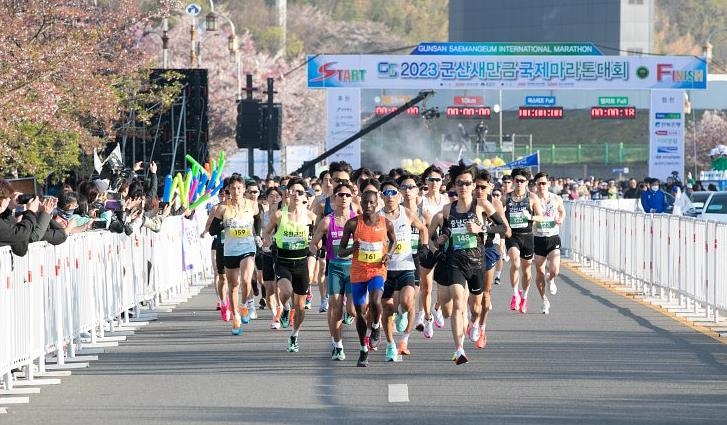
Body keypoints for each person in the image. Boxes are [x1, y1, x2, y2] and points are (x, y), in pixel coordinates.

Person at [428, 161, 493, 365]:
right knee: (458, 302)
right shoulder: (447, 210)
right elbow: (429, 237)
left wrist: (480, 230)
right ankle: (459, 349)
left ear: (473, 185)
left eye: (467, 183)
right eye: (459, 183)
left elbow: (505, 230)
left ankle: (475, 324)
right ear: (454, 186)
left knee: (475, 306)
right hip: (455, 261)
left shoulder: (482, 205)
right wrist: (437, 244)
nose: (463, 187)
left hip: (477, 262)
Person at [338, 190, 396, 367]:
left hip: (377, 270)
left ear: (377, 203)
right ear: (360, 203)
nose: (368, 206)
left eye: (371, 203)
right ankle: (363, 349)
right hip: (358, 272)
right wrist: (352, 248)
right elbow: (340, 252)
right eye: (365, 203)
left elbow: (393, 242)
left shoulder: (386, 223)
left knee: (376, 300)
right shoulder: (353, 224)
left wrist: (389, 255)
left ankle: (377, 325)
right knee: (359, 312)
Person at [262, 178, 317, 352]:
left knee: (300, 306)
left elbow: (318, 236)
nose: (296, 195)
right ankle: (285, 307)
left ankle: (294, 335)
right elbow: (266, 231)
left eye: (300, 192)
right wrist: (268, 242)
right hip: (283, 261)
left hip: (301, 262)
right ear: (287, 194)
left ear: (304, 196)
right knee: (286, 291)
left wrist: (316, 244)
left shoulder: (310, 216)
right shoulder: (279, 215)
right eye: (293, 191)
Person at [379, 179, 428, 362]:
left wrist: (423, 247)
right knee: (387, 309)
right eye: (387, 193)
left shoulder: (406, 213)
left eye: (393, 193)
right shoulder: (377, 217)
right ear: (381, 196)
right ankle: (391, 344)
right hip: (385, 269)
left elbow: (423, 229)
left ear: (398, 196)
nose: (390, 196)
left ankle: (404, 321)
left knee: (408, 302)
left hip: (406, 264)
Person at [309, 182, 356, 361]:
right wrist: (319, 251)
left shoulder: (356, 220)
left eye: (347, 195)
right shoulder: (327, 220)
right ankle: (338, 345)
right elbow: (313, 243)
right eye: (340, 195)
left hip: (353, 269)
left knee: (352, 310)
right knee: (335, 308)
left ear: (352, 198)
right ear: (334, 199)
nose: (344, 198)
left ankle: (367, 328)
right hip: (335, 268)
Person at [209, 175, 259, 336]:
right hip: (230, 250)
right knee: (233, 286)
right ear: (228, 190)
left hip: (248, 248)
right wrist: (224, 224)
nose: (236, 191)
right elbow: (212, 231)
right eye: (233, 188)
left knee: (245, 280)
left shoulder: (252, 205)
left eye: (239, 188)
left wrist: (257, 234)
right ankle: (235, 316)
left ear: (244, 189)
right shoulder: (222, 208)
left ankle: (244, 305)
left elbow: (258, 219)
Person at [473, 170, 510, 349]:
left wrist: (485, 230)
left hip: (487, 250)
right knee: (469, 296)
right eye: (476, 187)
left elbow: (506, 230)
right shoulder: (465, 204)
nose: (479, 190)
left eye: (483, 187)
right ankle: (469, 321)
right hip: (467, 253)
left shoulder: (495, 204)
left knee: (485, 296)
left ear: (490, 187)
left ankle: (482, 328)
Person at [504, 168, 544, 314]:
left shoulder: (532, 197)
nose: (519, 183)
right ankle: (515, 294)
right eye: (517, 180)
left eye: (522, 181)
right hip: (512, 236)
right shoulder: (506, 197)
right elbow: (497, 214)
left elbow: (540, 216)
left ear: (527, 182)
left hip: (527, 236)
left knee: (526, 271)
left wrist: (531, 217)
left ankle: (524, 296)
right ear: (513, 181)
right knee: (515, 262)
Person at [413, 165, 447, 337]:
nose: (434, 183)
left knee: (443, 289)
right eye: (431, 179)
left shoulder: (447, 200)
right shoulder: (420, 200)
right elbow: (421, 220)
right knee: (426, 287)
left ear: (442, 182)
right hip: (426, 245)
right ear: (425, 181)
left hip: (444, 246)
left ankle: (437, 308)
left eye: (437, 179)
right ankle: (427, 318)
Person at [532, 172, 565, 315]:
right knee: (539, 272)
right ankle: (544, 300)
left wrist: (561, 218)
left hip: (553, 237)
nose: (541, 186)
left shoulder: (556, 198)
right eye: (539, 183)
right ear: (535, 185)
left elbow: (562, 212)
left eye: (544, 183)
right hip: (538, 238)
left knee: (555, 270)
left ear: (548, 184)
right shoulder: (532, 199)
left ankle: (551, 279)